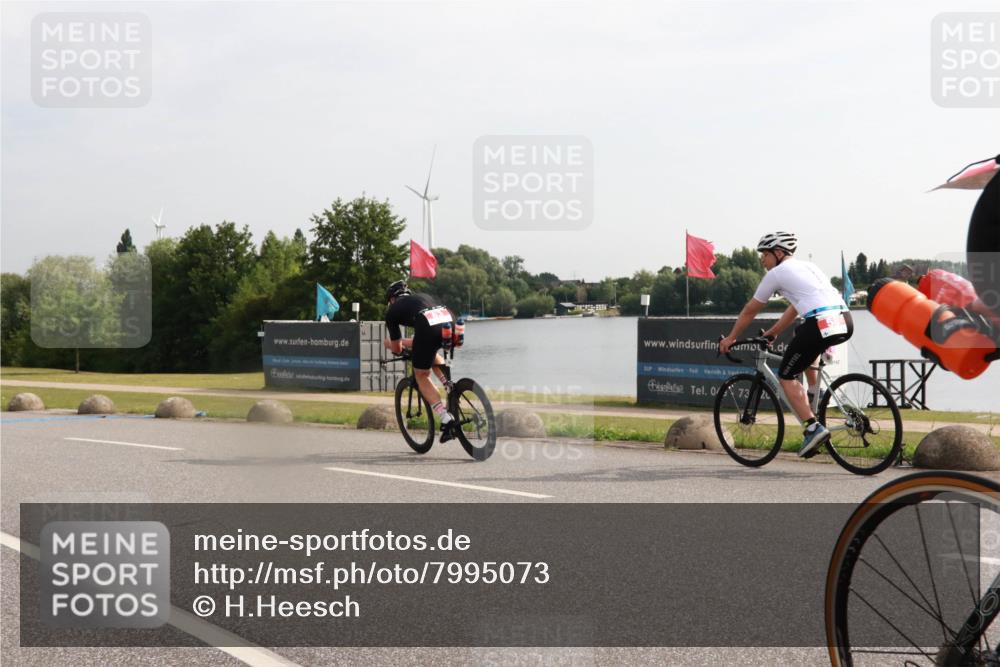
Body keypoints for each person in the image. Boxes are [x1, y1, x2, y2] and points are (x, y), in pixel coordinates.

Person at [719, 232, 853, 457]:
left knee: (786, 376)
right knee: (803, 337)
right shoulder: (809, 267)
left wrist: (731, 338)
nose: (762, 260)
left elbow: (751, 309)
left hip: (819, 323)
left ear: (778, 253)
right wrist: (773, 333)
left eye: (765, 254)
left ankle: (813, 427)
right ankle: (813, 394)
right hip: (845, 320)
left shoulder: (777, 274)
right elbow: (795, 308)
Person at [383, 280, 457, 442]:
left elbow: (396, 349)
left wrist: (389, 344)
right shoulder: (421, 298)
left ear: (392, 299)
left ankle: (445, 417)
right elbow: (422, 340)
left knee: (421, 374)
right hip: (450, 320)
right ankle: (449, 385)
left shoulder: (393, 312)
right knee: (431, 351)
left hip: (428, 326)